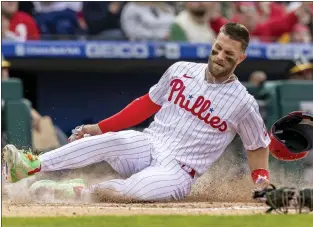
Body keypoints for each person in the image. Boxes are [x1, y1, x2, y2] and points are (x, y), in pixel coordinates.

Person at [3, 22, 271, 202]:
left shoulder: (243, 103)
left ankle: (77, 192)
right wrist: (100, 128)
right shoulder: (181, 69)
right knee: (114, 140)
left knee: (137, 189)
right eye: (218, 48)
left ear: (241, 58)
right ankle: (30, 164)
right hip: (149, 143)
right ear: (213, 44)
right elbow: (146, 104)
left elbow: (257, 145)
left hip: (179, 170)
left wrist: (261, 180)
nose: (221, 56)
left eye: (229, 53)